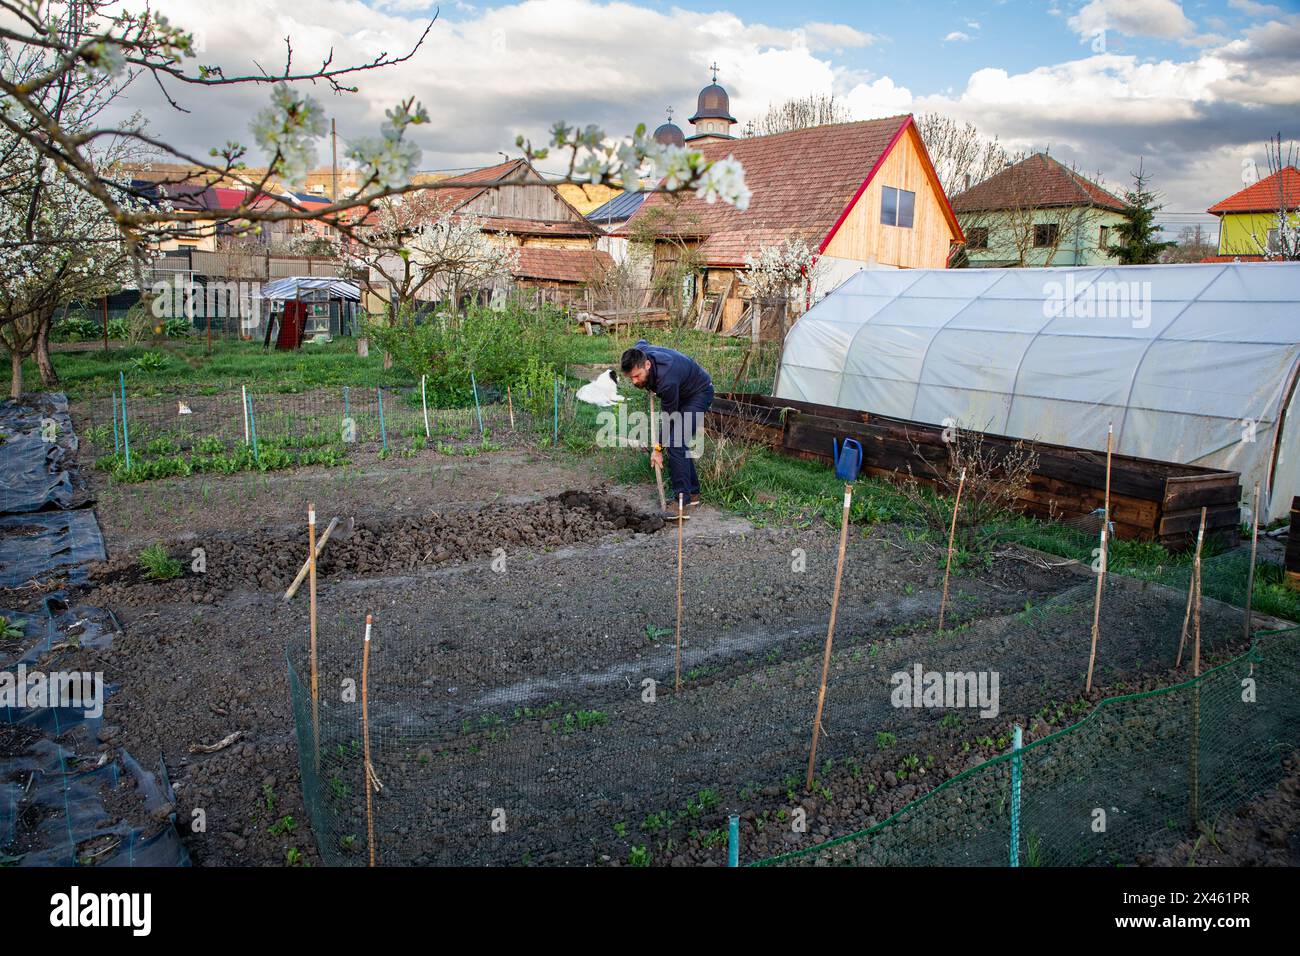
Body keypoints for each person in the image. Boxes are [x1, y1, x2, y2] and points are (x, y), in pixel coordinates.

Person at [620, 338, 714, 508]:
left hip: (699, 393)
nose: (634, 381)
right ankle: (693, 493)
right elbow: (641, 341)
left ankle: (681, 501)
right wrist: (647, 381)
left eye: (637, 376)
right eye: (630, 378)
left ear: (647, 365)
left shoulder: (667, 381)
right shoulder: (641, 352)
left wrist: (658, 449)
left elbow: (668, 419)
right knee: (678, 443)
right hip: (682, 390)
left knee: (675, 443)